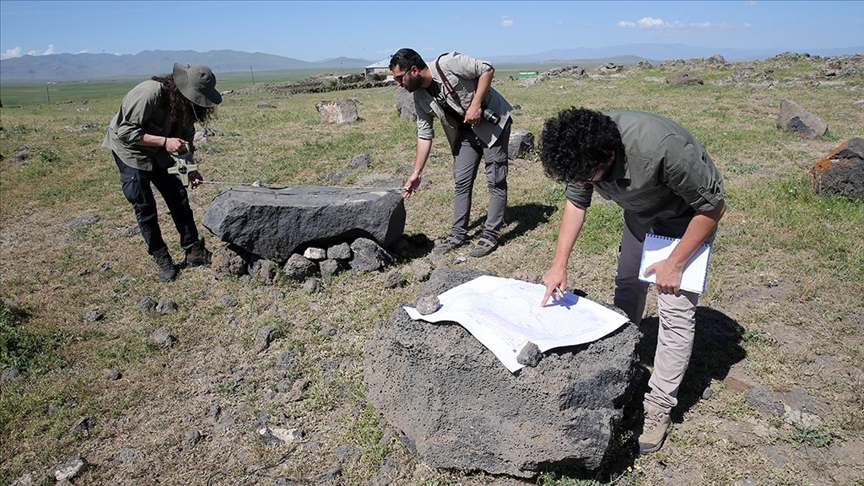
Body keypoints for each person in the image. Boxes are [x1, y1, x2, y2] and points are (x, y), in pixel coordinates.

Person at [539, 107, 726, 453]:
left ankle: (658, 406)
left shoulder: (662, 148)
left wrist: (675, 262)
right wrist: (559, 264)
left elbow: (712, 207)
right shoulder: (580, 152)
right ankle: (622, 363)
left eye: (588, 178)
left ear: (609, 157)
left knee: (675, 313)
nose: (583, 184)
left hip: (687, 220)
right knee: (627, 284)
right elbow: (575, 205)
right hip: (641, 216)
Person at [103, 63, 222, 282]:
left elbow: (186, 141)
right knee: (145, 205)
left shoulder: (186, 107)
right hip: (130, 150)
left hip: (159, 150)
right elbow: (125, 132)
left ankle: (193, 250)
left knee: (178, 196)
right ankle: (161, 257)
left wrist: (192, 169)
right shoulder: (149, 93)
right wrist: (165, 142)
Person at [390, 48, 513, 257]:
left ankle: (490, 234)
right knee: (462, 181)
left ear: (414, 70)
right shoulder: (419, 97)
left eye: (400, 78)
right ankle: (458, 234)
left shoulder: (447, 64)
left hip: (493, 124)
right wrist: (417, 173)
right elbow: (424, 134)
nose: (398, 84)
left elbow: (487, 69)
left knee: (495, 179)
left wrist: (475, 105)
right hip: (465, 132)